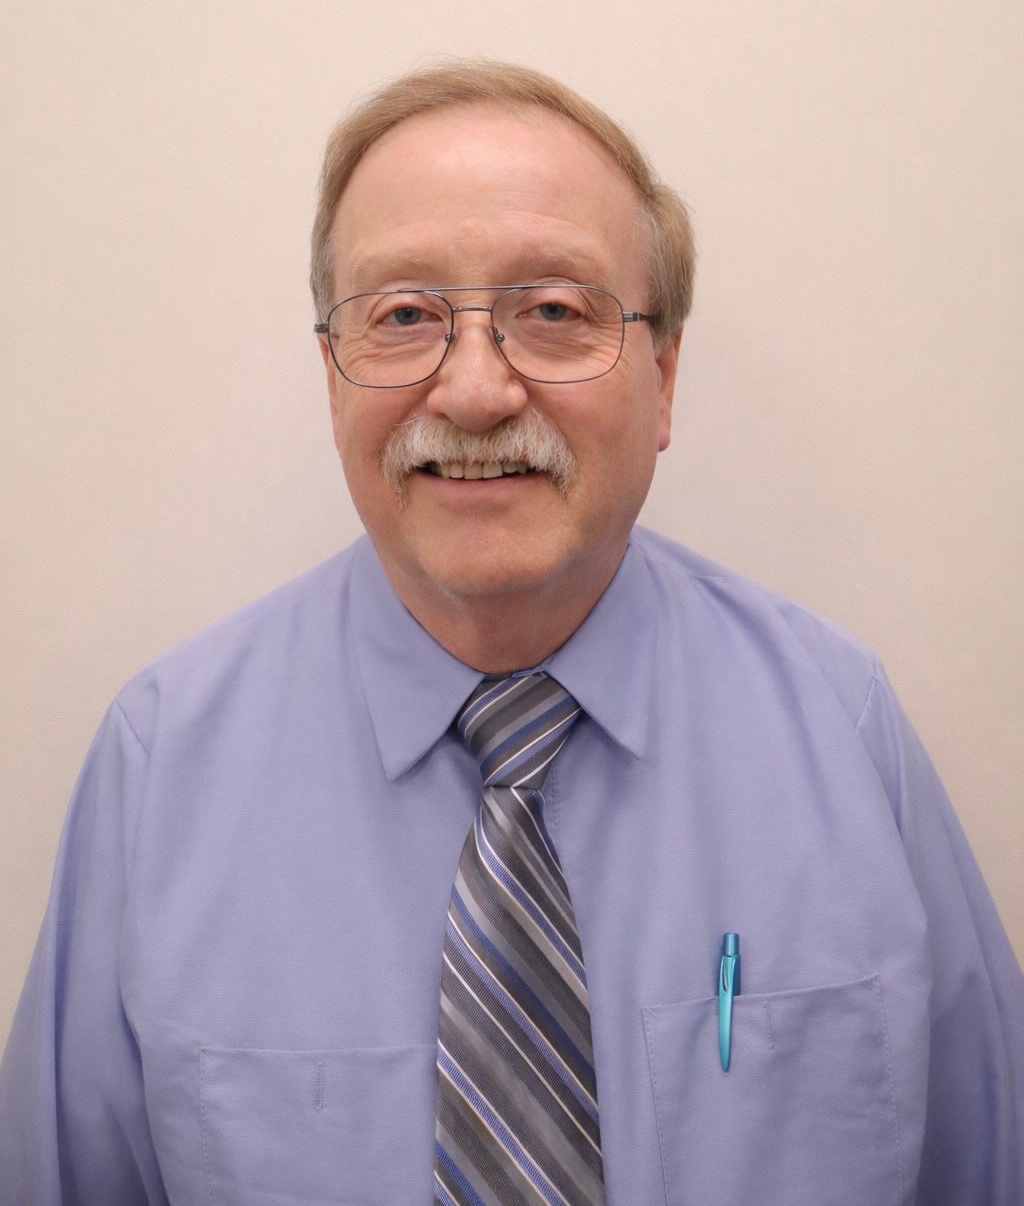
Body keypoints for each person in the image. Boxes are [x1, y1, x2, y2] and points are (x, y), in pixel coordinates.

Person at [0, 59, 1021, 1206]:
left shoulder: (843, 730)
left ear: (664, 376)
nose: (476, 392)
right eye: (401, 317)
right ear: (332, 377)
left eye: (552, 312)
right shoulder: (160, 766)